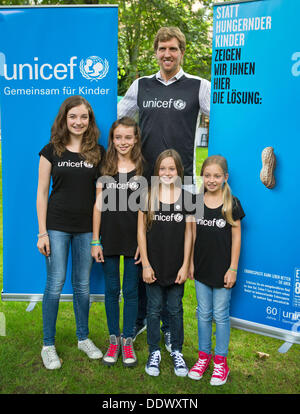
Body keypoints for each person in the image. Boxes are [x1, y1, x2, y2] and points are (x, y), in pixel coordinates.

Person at [118, 26, 211, 345]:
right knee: (145, 248)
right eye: (162, 49)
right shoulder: (140, 86)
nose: (167, 54)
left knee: (177, 247)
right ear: (155, 52)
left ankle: (171, 321)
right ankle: (144, 315)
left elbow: (227, 122)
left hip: (184, 184)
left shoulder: (200, 86)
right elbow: (119, 121)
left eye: (173, 49)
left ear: (182, 52)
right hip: (144, 184)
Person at [36, 95, 105, 370]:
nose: (78, 122)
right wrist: (42, 233)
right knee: (55, 284)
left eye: (84, 117)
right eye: (73, 116)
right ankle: (48, 344)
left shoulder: (98, 153)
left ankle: (83, 337)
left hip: (87, 228)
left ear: (90, 120)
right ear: (65, 119)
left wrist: (98, 235)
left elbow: (101, 197)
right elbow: (42, 193)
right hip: (56, 226)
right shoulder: (51, 150)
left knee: (83, 286)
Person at [91, 117, 145, 367]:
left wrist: (143, 246)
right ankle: (114, 340)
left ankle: (128, 341)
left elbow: (147, 210)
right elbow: (98, 206)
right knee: (112, 290)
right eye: (118, 137)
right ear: (112, 139)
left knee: (131, 291)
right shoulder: (105, 165)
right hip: (109, 239)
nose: (123, 142)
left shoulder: (144, 166)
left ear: (135, 139)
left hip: (135, 241)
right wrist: (95, 240)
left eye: (128, 137)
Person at [188, 155, 245, 386]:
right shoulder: (196, 201)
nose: (212, 180)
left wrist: (233, 268)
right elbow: (191, 234)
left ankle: (221, 362)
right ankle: (203, 357)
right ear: (203, 176)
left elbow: (237, 237)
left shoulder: (232, 202)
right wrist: (190, 262)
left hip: (223, 271)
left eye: (217, 176)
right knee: (203, 313)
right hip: (201, 268)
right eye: (208, 175)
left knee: (220, 315)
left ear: (225, 177)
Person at [138, 149, 193, 377]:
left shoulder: (189, 199)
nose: (167, 172)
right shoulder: (148, 196)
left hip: (176, 267)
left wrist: (185, 264)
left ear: (179, 171)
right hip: (154, 266)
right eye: (163, 168)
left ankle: (177, 351)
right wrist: (146, 265)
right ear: (156, 171)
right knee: (153, 310)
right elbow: (141, 232)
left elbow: (190, 233)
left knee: (175, 310)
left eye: (172, 168)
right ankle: (153, 352)